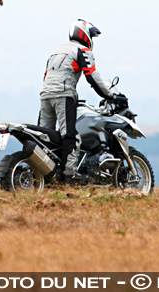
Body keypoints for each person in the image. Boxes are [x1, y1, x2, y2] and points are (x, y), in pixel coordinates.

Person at [39, 19, 124, 185]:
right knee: (69, 135)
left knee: (45, 136)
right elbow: (92, 76)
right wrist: (110, 96)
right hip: (63, 95)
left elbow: (45, 76)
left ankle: (44, 175)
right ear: (83, 34)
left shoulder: (55, 52)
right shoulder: (82, 50)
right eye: (91, 35)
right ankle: (69, 176)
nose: (92, 39)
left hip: (44, 95)